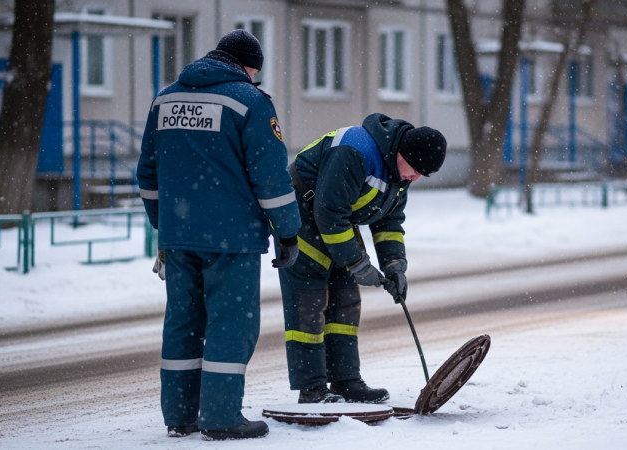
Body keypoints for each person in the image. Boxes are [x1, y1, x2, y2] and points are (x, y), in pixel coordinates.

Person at [137, 30, 301, 441]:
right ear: (247, 67)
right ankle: (221, 417)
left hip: (177, 235)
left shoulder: (166, 99)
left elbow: (147, 173)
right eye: (253, 73)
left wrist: (164, 225)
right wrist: (288, 232)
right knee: (231, 324)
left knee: (183, 323)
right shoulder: (249, 101)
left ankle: (179, 416)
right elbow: (270, 177)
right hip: (233, 238)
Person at [279, 113, 447, 404]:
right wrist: (357, 262)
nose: (416, 178)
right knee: (308, 300)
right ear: (402, 153)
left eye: (423, 175)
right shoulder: (355, 150)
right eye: (416, 170)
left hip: (337, 219)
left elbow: (389, 221)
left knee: (345, 299)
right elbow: (329, 213)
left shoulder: (399, 172)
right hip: (301, 212)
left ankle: (345, 380)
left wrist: (395, 266)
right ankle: (312, 388)